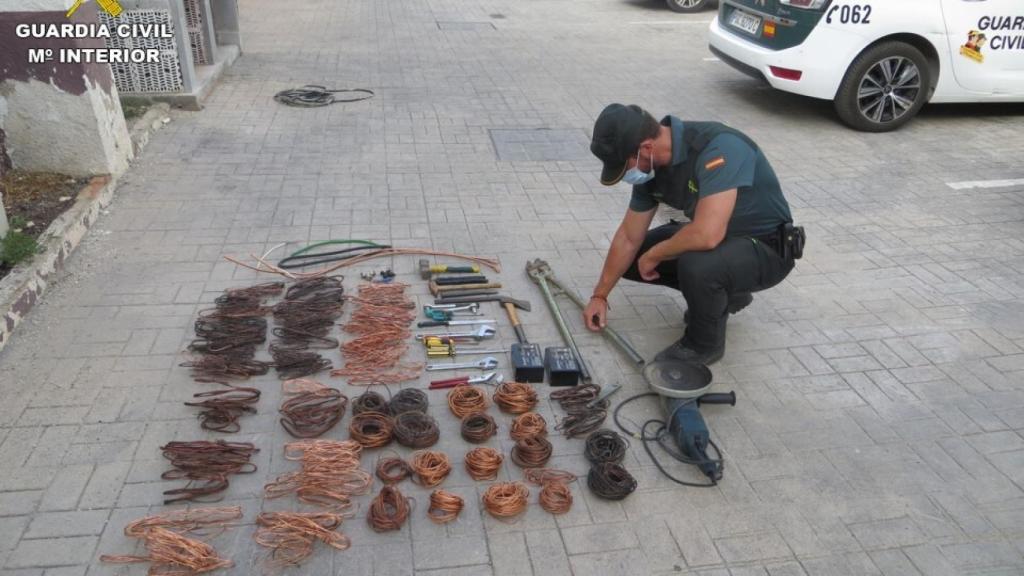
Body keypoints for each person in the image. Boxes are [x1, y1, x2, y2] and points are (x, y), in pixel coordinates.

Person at [584, 103, 802, 365]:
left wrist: (656, 254)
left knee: (696, 264)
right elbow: (628, 237)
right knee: (632, 258)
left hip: (766, 248)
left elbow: (707, 235)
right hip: (720, 238)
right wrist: (600, 295)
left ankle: (702, 346)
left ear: (646, 148)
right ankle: (724, 296)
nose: (626, 174)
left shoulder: (718, 148)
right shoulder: (650, 169)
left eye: (624, 165)